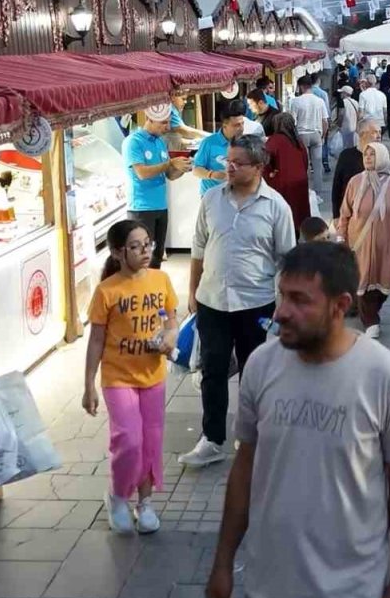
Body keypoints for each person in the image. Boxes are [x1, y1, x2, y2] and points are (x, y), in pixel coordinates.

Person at [204, 242, 390, 598]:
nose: (281, 312)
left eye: (300, 300)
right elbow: (246, 465)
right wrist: (222, 561)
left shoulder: (386, 377)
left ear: (340, 306)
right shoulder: (260, 365)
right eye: (282, 296)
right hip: (267, 595)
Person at [181, 134, 297, 468]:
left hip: (257, 304)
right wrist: (192, 291)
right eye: (227, 162)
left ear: (259, 167)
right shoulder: (212, 199)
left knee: (254, 374)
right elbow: (198, 248)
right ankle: (211, 439)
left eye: (237, 163)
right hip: (212, 300)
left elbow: (286, 260)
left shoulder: (276, 207)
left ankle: (251, 437)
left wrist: (284, 306)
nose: (229, 168)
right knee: (212, 371)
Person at [83, 220, 179, 534]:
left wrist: (170, 339)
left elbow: (171, 321)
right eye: (135, 246)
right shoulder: (106, 291)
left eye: (147, 244)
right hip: (118, 378)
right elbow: (96, 340)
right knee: (128, 440)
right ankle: (118, 496)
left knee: (151, 441)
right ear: (117, 252)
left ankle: (146, 503)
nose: (143, 251)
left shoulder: (160, 280)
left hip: (153, 374)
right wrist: (88, 385)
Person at [337, 142, 390, 339]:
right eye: (366, 155)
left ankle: (369, 312)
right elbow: (345, 213)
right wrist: (341, 236)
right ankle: (371, 321)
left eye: (373, 155)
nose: (368, 158)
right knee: (362, 282)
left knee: (383, 285)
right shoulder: (355, 182)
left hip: (385, 245)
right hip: (359, 243)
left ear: (383, 158)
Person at [125, 103, 193, 268]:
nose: (167, 127)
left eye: (168, 122)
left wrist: (182, 167)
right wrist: (170, 163)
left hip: (161, 207)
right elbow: (141, 173)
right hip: (141, 209)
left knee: (156, 257)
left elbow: (169, 175)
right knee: (141, 259)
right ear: (149, 119)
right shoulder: (133, 142)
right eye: (163, 123)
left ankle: (154, 291)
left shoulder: (161, 142)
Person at [264, 112, 312, 231]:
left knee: (286, 217)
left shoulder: (274, 141)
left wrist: (270, 174)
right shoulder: (298, 142)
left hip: (283, 184)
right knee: (298, 214)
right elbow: (305, 162)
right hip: (300, 182)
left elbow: (265, 162)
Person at [332, 119, 380, 229]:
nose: (379, 136)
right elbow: (337, 187)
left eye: (380, 132)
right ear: (362, 134)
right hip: (351, 215)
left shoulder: (383, 156)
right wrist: (336, 215)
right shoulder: (346, 156)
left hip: (376, 216)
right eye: (374, 132)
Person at [192, 100, 247, 197]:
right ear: (224, 126)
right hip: (212, 197)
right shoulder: (209, 143)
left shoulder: (245, 143)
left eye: (242, 123)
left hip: (237, 197)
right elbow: (196, 169)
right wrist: (212, 174)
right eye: (236, 125)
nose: (241, 128)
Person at [287, 76, 329, 196]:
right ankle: (318, 193)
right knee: (317, 165)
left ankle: (305, 191)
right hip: (317, 133)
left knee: (303, 165)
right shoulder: (319, 101)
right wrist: (323, 135)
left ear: (301, 86)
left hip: (302, 134)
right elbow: (325, 121)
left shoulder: (295, 101)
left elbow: (292, 121)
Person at [334, 85, 360, 154]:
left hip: (345, 128)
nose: (340, 94)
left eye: (342, 93)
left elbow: (341, 114)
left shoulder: (343, 102)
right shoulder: (356, 102)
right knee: (352, 147)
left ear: (346, 93)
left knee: (344, 148)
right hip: (354, 129)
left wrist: (339, 124)